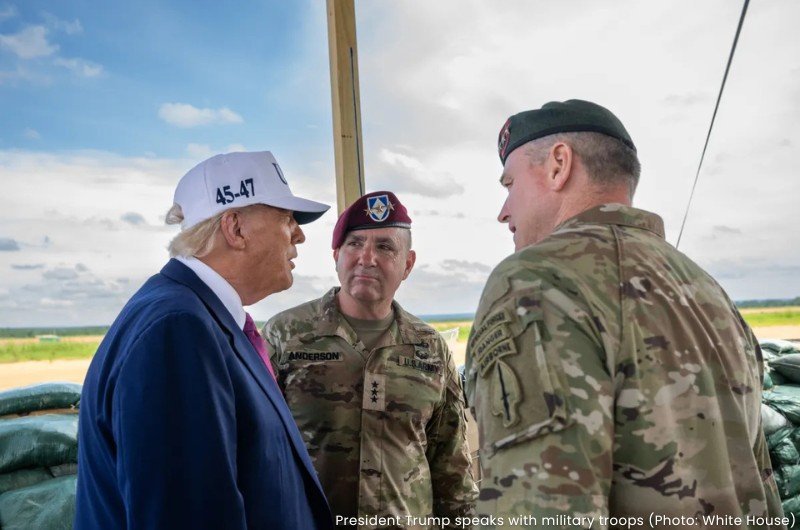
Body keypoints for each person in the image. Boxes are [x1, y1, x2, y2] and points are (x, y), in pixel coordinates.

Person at [465, 100, 785, 529]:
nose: (504, 211)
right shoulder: (707, 289)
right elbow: (761, 484)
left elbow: (540, 515)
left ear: (559, 164)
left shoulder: (537, 279)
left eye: (510, 184)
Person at [75, 151, 334, 529]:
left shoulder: (197, 316)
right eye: (288, 218)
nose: (299, 234)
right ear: (236, 228)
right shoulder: (177, 329)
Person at [263, 191, 478, 529]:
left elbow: (452, 469)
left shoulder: (429, 349)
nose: (367, 258)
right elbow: (257, 451)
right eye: (354, 243)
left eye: (385, 247)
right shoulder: (285, 336)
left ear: (407, 263)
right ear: (336, 255)